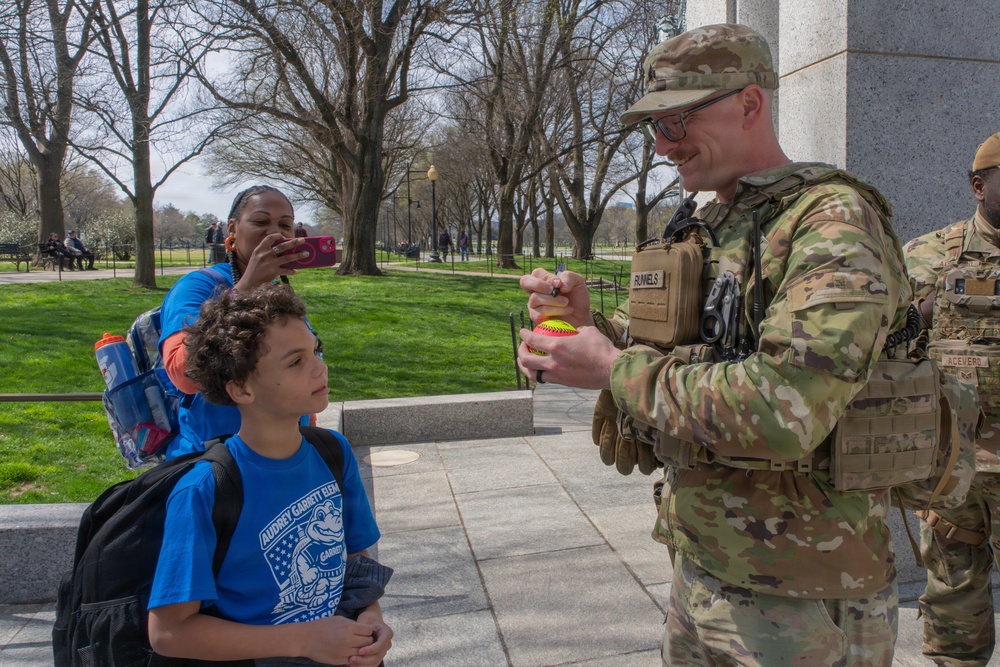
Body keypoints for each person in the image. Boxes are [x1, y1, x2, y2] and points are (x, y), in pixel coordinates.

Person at [518, 24, 911, 666]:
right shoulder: (709, 223)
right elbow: (679, 352)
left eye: (675, 121)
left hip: (805, 595)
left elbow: (784, 410)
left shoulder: (831, 224)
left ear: (750, 104)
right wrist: (591, 329)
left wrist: (613, 368)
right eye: (652, 127)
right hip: (701, 567)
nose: (662, 146)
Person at [148, 284, 393, 666]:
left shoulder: (333, 452)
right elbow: (168, 632)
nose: (320, 367)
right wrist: (305, 640)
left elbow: (355, 558)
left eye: (316, 350)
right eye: (296, 362)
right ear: (241, 388)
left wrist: (370, 619)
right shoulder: (204, 491)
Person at [904, 131, 1000, 667]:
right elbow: (889, 341)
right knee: (953, 605)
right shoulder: (929, 255)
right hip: (953, 470)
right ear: (979, 186)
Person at [158, 185, 312, 460]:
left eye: (285, 225)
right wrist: (246, 286)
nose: (274, 233)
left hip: (284, 456)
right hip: (215, 462)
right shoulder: (197, 286)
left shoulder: (280, 292)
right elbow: (184, 373)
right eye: (261, 222)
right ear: (232, 229)